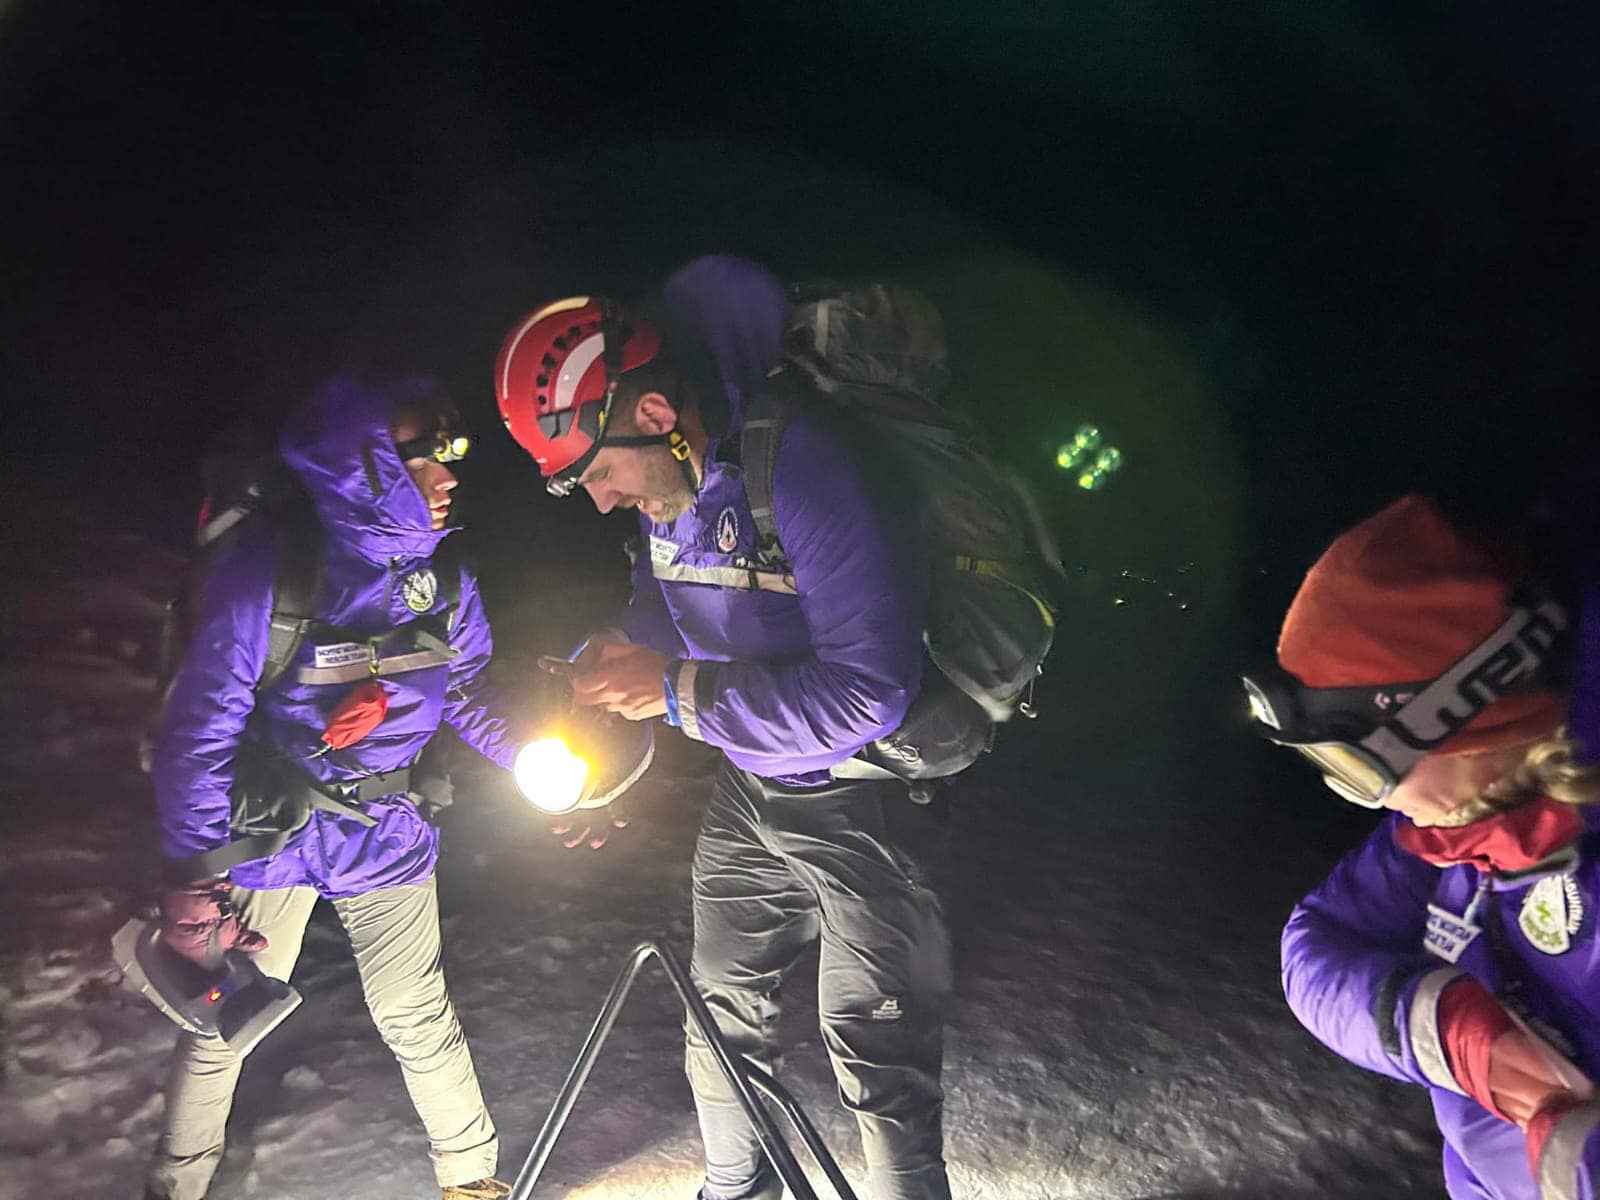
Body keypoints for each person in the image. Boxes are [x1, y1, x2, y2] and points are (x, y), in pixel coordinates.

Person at [495, 256, 955, 1200]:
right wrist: (598, 715)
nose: (600, 498)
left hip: (865, 803)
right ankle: (736, 1186)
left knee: (874, 1046)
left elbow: (870, 694)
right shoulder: (680, 489)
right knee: (717, 1018)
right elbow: (661, 619)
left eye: (596, 469)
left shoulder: (813, 472)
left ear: (657, 416)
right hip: (752, 793)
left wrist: (672, 694)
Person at [143, 374, 520, 1200]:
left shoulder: (444, 577)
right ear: (372, 467)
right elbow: (199, 730)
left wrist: (540, 756)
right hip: (274, 836)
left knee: (416, 1011)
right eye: (431, 458)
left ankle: (473, 1180)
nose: (453, 476)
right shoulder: (274, 571)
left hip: (387, 831)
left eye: (456, 456)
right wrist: (194, 876)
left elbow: (469, 688)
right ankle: (175, 1185)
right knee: (224, 1022)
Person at [1249, 494, 1600, 1199]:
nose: (1364, 799)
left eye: (1356, 767)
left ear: (1467, 715)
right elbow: (1315, 943)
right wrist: (1437, 1025)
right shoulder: (1452, 836)